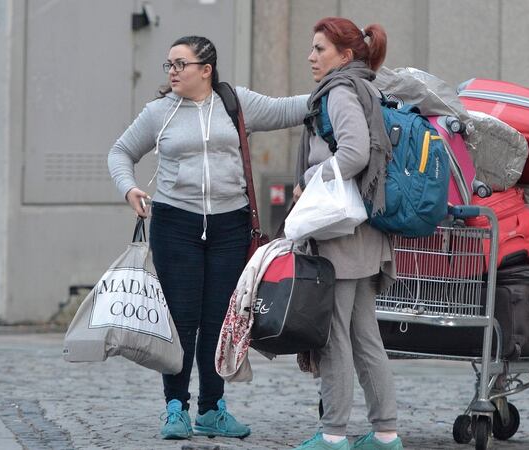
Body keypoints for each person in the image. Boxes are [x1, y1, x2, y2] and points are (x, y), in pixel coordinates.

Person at [108, 35, 308, 440]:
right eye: (169, 64)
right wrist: (128, 188)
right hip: (175, 225)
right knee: (182, 321)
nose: (173, 71)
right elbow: (120, 152)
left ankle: (212, 409)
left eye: (180, 64)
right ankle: (175, 408)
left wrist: (342, 87)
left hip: (230, 226)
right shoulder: (158, 112)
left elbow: (290, 108)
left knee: (219, 320)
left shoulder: (236, 103)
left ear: (206, 70)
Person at [291, 18, 403, 450]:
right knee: (363, 335)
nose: (311, 57)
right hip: (364, 231)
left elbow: (354, 153)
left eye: (320, 49)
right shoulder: (365, 86)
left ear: (345, 55)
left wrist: (310, 179)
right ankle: (386, 434)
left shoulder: (339, 91)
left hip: (341, 233)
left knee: (334, 335)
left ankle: (333, 434)